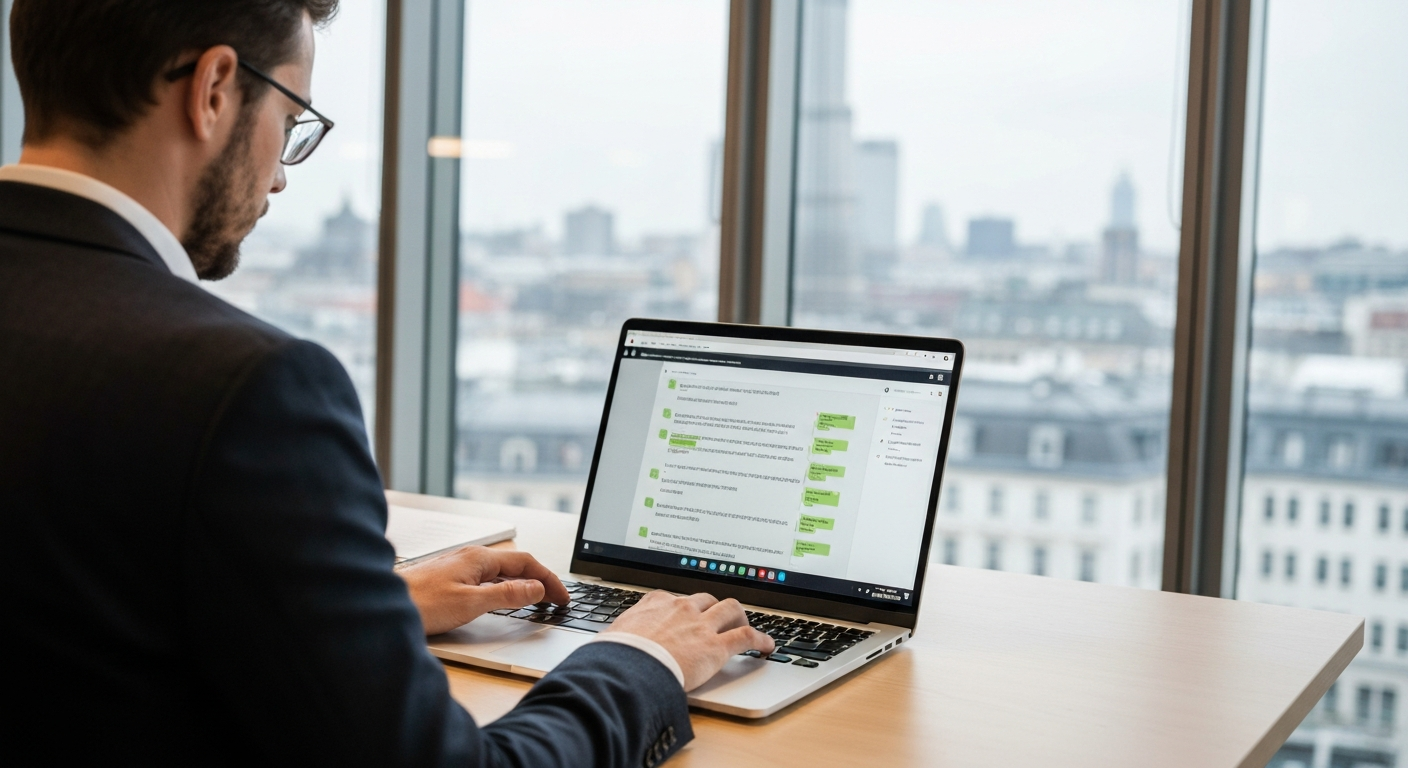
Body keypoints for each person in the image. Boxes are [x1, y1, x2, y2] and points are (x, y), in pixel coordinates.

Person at [0, 1, 773, 765]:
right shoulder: (244, 388)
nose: (278, 178)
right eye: (292, 118)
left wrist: (351, 616)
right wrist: (642, 658)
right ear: (213, 89)